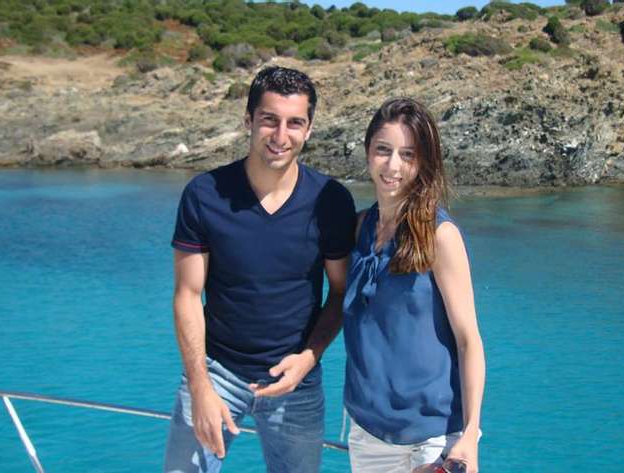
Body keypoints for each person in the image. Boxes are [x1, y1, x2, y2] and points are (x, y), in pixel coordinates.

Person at [163, 66, 356, 473]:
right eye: (269, 119)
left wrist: (308, 358)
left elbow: (340, 293)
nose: (280, 135)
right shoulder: (204, 194)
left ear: (309, 129)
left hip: (296, 381)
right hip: (216, 372)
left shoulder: (331, 201)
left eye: (294, 123)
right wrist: (200, 386)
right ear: (248, 120)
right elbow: (187, 295)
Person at [342, 98, 486, 473]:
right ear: (367, 152)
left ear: (423, 162)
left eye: (408, 155)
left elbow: (468, 340)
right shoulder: (357, 228)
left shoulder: (440, 236)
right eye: (383, 150)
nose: (393, 166)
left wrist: (470, 435)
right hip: (367, 435)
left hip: (432, 441)